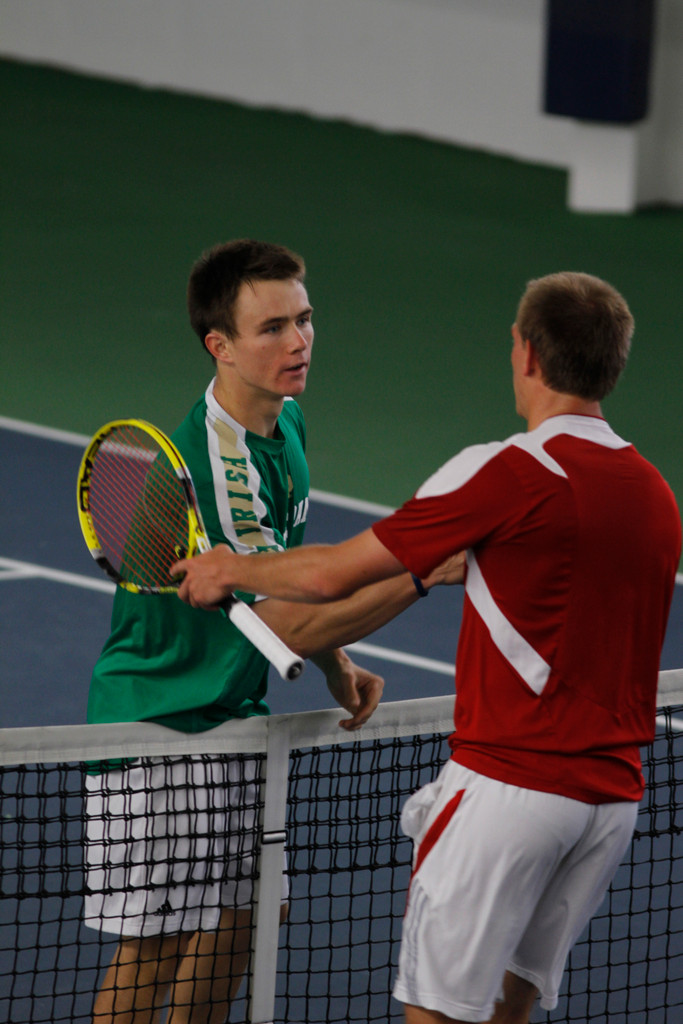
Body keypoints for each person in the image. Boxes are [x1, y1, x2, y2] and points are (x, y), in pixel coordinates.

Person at [174, 271, 682, 1024]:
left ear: (526, 356)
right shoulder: (654, 492)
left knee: (435, 1016)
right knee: (507, 1012)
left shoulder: (505, 471)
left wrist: (231, 568)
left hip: (510, 792)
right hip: (608, 803)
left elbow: (329, 574)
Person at [85, 238, 460, 1024]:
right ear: (219, 346)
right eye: (272, 329)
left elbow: (285, 580)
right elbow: (290, 610)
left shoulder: (283, 423)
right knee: (155, 944)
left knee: (247, 915)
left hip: (233, 707)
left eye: (305, 320)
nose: (298, 343)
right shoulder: (215, 468)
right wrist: (419, 569)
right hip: (161, 719)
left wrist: (336, 666)